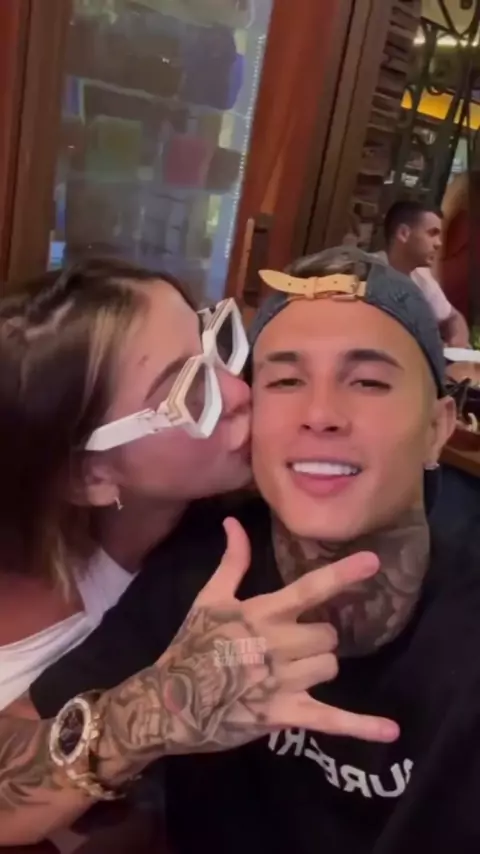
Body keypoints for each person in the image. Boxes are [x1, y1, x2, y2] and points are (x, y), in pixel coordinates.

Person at [25, 248, 480, 852]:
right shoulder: (211, 562)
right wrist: (154, 711)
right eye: (285, 381)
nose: (321, 414)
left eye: (369, 381)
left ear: (438, 427)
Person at [380, 200, 469, 346]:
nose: (438, 243)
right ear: (403, 233)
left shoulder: (421, 277)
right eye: (432, 233)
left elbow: (453, 317)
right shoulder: (369, 275)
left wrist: (456, 346)